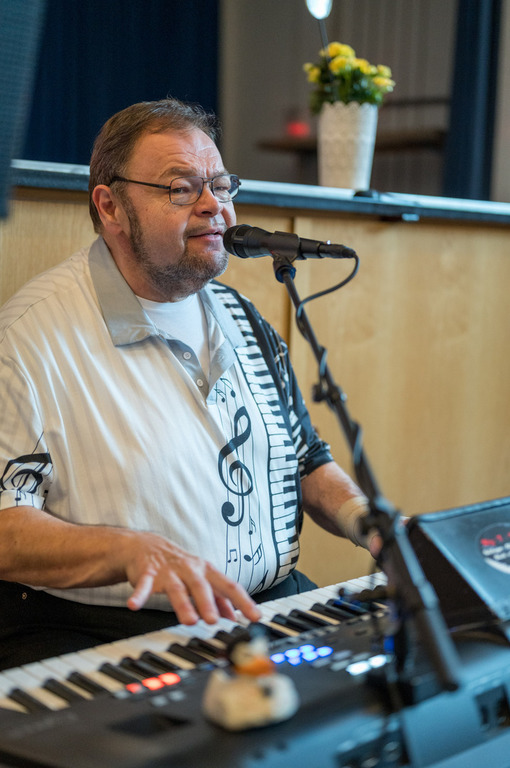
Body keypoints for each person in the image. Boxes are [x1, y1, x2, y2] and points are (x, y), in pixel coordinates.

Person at [0, 98, 373, 670]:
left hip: (268, 612)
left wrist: (371, 525)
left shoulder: (243, 317)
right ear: (110, 206)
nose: (213, 207)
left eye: (220, 186)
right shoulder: (27, 340)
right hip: (103, 636)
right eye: (181, 189)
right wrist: (129, 551)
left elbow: (305, 459)